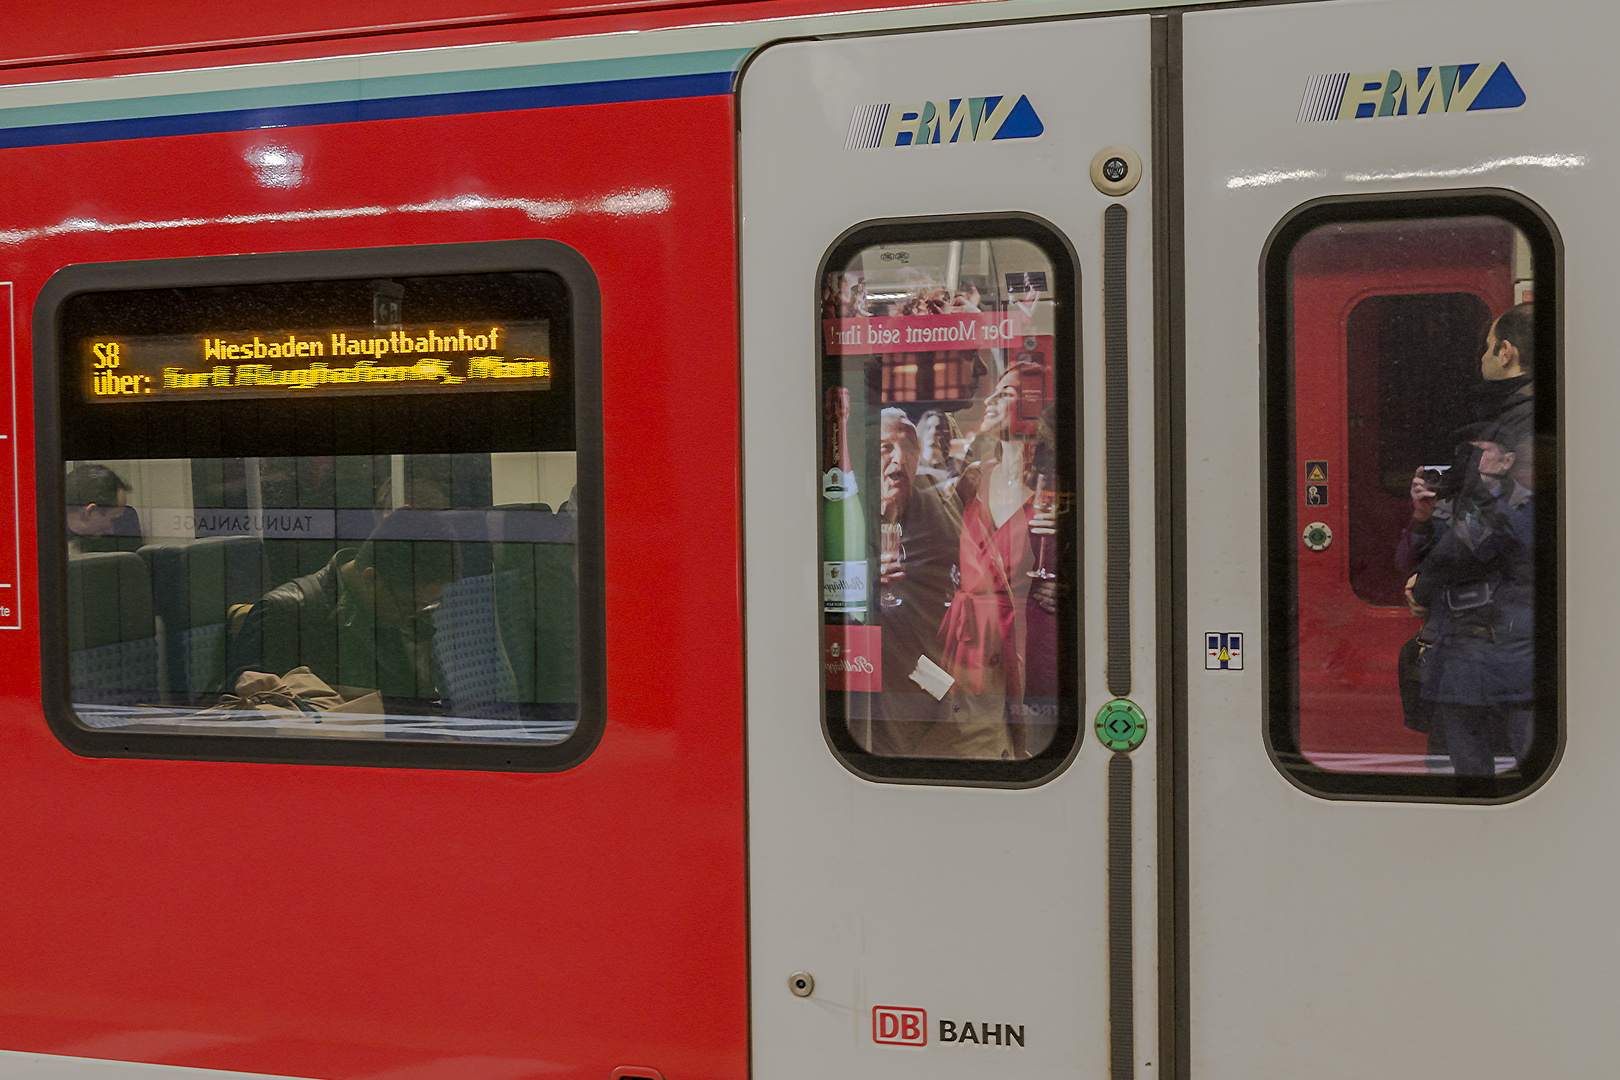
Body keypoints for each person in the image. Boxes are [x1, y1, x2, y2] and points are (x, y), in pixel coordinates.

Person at [928, 362, 1062, 760]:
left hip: (1027, 641)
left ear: (1034, 408)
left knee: (1034, 757)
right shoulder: (972, 478)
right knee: (969, 755)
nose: (988, 400)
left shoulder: (1057, 488)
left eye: (1006, 393)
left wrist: (1071, 584)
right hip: (969, 643)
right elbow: (929, 546)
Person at [225, 512, 456, 705]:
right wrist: (245, 679)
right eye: (409, 605)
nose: (415, 614)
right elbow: (241, 698)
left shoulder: (407, 614)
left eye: (427, 604)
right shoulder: (286, 613)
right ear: (372, 579)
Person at [1406, 429, 1534, 776]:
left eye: (1483, 452)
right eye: (1468, 453)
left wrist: (1474, 492)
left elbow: (1513, 542)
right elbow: (1407, 564)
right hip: (1459, 646)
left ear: (1508, 461)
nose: (1473, 460)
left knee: (1534, 758)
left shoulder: (1526, 503)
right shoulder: (1449, 505)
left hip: (1511, 647)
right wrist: (1421, 519)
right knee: (1467, 766)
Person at [867, 409, 963, 756]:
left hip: (937, 678)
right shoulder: (846, 512)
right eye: (884, 447)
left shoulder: (938, 505)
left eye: (908, 445)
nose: (898, 457)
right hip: (874, 688)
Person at [64, 462, 142, 554]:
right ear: (90, 511)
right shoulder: (48, 539)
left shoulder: (125, 520)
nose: (112, 530)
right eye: (112, 519)